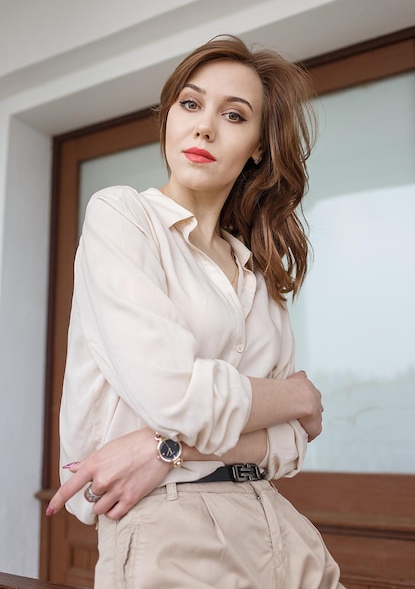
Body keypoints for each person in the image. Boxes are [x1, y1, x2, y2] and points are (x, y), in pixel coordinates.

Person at [47, 35, 345, 588]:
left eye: (233, 115)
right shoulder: (122, 218)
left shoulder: (257, 275)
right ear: (168, 119)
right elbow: (176, 395)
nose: (204, 127)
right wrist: (296, 397)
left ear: (258, 146)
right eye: (190, 103)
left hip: (282, 529)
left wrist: (164, 448)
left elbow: (292, 445)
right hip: (172, 529)